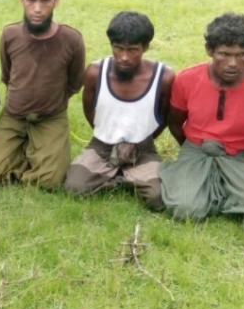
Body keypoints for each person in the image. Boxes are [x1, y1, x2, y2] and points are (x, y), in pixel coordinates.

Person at [159, 13, 244, 231]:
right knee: (186, 210)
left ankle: (218, 190)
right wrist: (190, 150)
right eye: (224, 54)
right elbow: (175, 123)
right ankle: (206, 185)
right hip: (196, 150)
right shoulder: (187, 79)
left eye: (241, 55)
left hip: (239, 154)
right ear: (209, 50)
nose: (233, 63)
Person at [0, 0, 86, 189]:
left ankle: (36, 153)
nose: (37, 9)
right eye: (31, 1)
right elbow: (7, 75)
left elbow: (75, 83)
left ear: (55, 1)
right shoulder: (9, 35)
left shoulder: (72, 39)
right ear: (22, 0)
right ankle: (28, 152)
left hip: (51, 117)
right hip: (14, 114)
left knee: (51, 180)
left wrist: (50, 101)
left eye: (45, 1)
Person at [64, 12, 174, 209]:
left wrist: (143, 142)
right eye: (118, 48)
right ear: (111, 45)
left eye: (133, 50)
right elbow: (90, 111)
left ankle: (119, 175)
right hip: (102, 145)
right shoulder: (95, 72)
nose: (124, 57)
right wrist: (106, 135)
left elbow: (164, 116)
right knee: (74, 187)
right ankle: (124, 177)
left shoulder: (163, 77)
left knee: (158, 198)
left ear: (146, 47)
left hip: (142, 148)